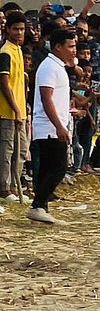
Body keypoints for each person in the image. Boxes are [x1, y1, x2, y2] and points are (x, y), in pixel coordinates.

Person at [28, 28, 76, 224]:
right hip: (48, 126)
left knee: (49, 167)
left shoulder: (58, 66)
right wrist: (58, 126)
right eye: (70, 46)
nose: (74, 50)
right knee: (58, 167)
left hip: (54, 125)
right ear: (58, 47)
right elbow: (46, 98)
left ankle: (41, 207)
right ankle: (38, 204)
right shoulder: (49, 67)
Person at [0, 11, 29, 202]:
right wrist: (16, 109)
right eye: (16, 29)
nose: (19, 33)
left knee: (21, 150)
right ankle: (4, 189)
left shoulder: (18, 50)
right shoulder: (5, 52)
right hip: (7, 111)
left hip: (20, 111)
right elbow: (4, 82)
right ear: (8, 29)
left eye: (22, 29)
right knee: (7, 150)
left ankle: (15, 186)